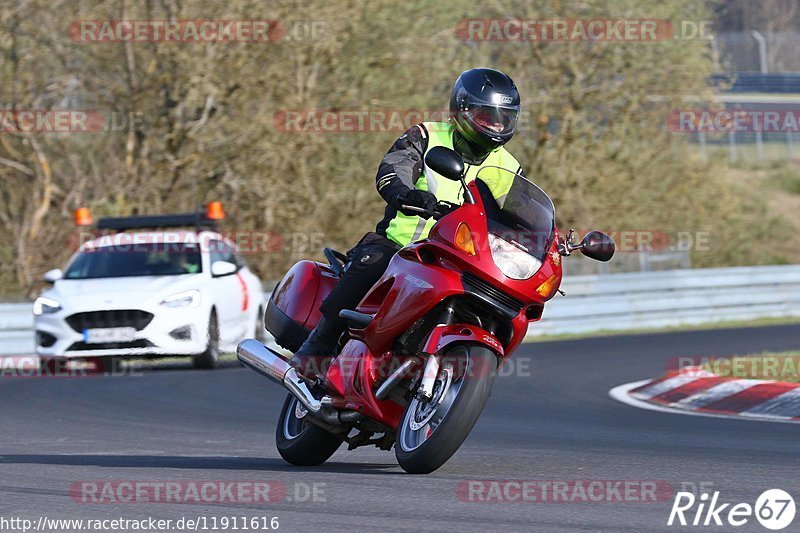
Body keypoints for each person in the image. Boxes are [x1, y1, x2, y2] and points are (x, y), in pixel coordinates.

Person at [291, 67, 527, 376]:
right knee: (374, 261)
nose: (495, 124)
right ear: (463, 110)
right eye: (487, 115)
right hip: (403, 248)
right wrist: (407, 194)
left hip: (462, 262)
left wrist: (546, 243)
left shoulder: (508, 167)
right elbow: (393, 170)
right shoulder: (426, 136)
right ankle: (318, 345)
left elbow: (519, 219)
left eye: (503, 117)